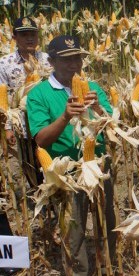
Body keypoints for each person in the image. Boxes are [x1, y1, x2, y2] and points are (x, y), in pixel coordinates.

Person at [26, 35, 115, 275]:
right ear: (52, 61)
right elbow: (41, 140)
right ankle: (78, 271)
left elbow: (114, 128)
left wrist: (98, 109)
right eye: (67, 59)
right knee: (73, 231)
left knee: (106, 224)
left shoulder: (94, 89)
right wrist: (65, 117)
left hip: (98, 166)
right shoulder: (39, 94)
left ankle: (108, 268)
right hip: (67, 172)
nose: (75, 64)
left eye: (78, 58)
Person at [0, 16, 49, 251]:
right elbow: (3, 99)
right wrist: (8, 126)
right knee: (30, 166)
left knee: (50, 166)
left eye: (33, 33)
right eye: (24, 33)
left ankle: (51, 202)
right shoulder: (5, 63)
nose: (30, 38)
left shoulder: (49, 60)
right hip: (22, 125)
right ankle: (40, 206)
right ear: (15, 37)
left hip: (49, 124)